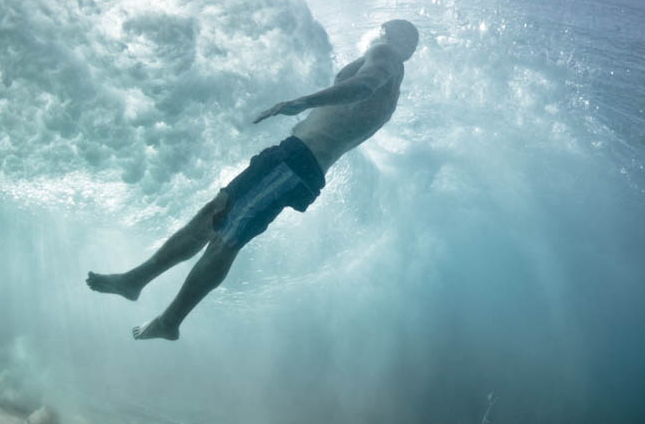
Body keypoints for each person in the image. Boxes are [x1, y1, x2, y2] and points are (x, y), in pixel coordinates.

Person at [86, 19, 419, 340]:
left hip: (296, 162)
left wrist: (302, 101)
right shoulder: (393, 93)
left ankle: (169, 320)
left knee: (226, 238)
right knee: (213, 215)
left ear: (388, 34)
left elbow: (363, 85)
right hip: (295, 162)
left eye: (382, 32)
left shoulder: (385, 54)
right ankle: (136, 281)